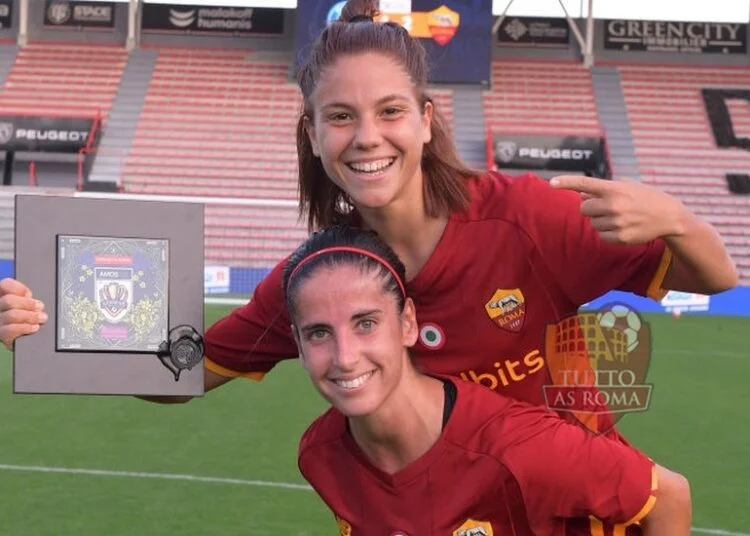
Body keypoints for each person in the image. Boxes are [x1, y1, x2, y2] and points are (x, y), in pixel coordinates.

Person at [0, 1, 736, 434]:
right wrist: (59, 332)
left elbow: (715, 275)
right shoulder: (316, 279)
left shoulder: (529, 216)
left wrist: (678, 219)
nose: (367, 138)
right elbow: (181, 374)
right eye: (340, 118)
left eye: (389, 113)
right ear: (314, 136)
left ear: (424, 120)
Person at [285, 225, 691, 535]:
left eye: (366, 323)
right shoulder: (319, 455)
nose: (345, 356)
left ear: (408, 323)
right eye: (318, 333)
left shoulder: (515, 446)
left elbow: (668, 497)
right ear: (299, 347)